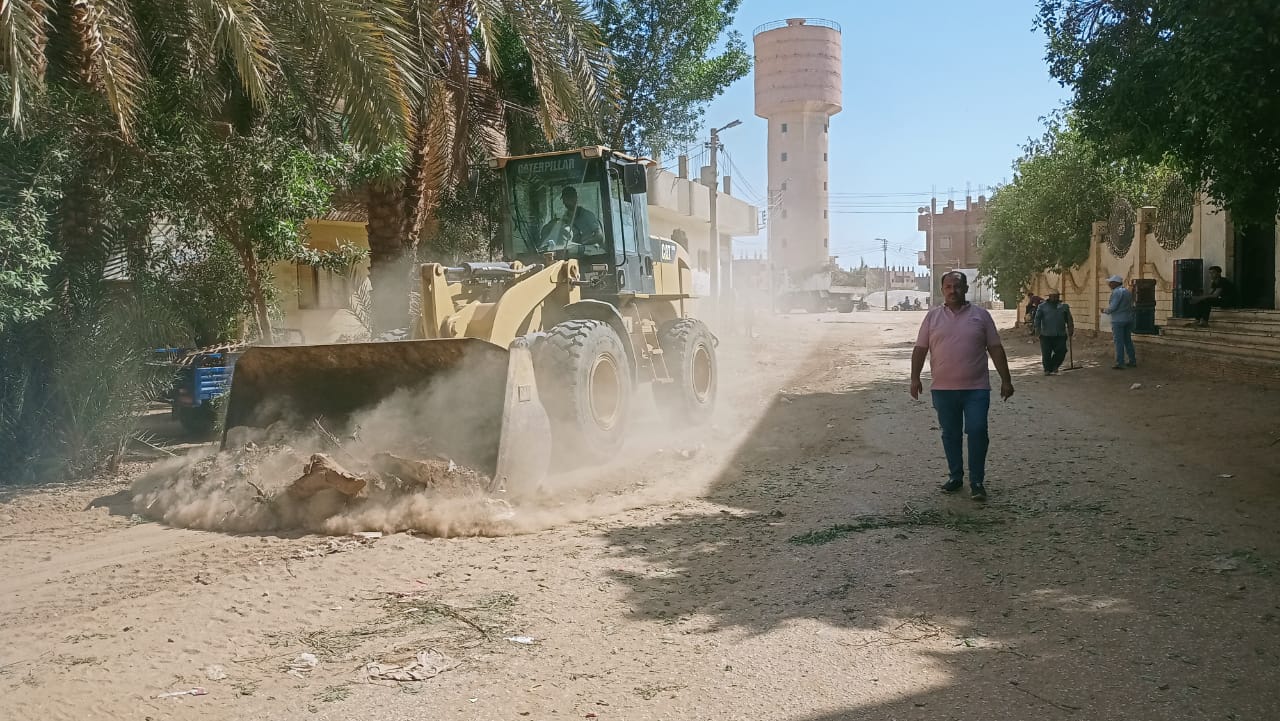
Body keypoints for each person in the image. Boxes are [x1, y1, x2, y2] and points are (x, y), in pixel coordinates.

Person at [910, 271, 1015, 502]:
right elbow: (920, 349)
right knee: (950, 434)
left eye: (957, 286)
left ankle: (977, 481)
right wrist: (914, 378)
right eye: (948, 287)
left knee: (977, 431)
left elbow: (995, 348)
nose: (952, 291)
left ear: (966, 289)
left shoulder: (982, 316)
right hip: (943, 389)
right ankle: (955, 476)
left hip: (976, 388)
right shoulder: (932, 317)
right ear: (942, 290)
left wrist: (1006, 380)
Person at [539, 186, 603, 251]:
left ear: (575, 198)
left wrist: (583, 243)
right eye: (564, 199)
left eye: (568, 198)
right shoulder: (565, 217)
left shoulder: (587, 215)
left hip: (586, 252)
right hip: (567, 252)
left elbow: (599, 236)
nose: (565, 202)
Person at [1033, 290, 1074, 375]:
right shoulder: (1042, 306)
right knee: (1046, 353)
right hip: (1045, 334)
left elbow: (1069, 318)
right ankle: (1047, 369)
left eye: (1057, 296)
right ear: (1050, 297)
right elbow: (1037, 318)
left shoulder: (1064, 306)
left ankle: (1055, 365)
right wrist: (1037, 329)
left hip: (1060, 334)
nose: (1055, 298)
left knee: (1062, 351)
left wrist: (1070, 328)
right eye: (1054, 296)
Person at [1101, 274, 1136, 369]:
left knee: (1119, 342)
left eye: (1111, 283)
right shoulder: (1127, 292)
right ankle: (1132, 360)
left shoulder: (1116, 292)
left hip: (1118, 320)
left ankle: (1120, 362)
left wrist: (1105, 310)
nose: (1109, 284)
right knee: (1128, 340)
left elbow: (1113, 307)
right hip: (1128, 319)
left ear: (1116, 283)